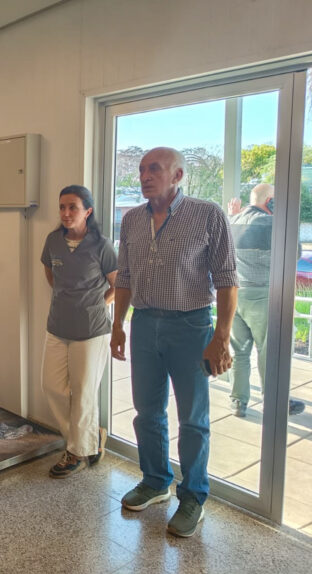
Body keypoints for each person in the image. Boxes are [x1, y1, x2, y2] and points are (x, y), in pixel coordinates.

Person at [110, 147, 238, 538]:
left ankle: (194, 496)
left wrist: (221, 337)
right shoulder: (132, 219)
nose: (145, 176)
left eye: (155, 169)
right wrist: (118, 325)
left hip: (190, 326)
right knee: (147, 411)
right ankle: (155, 481)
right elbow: (125, 277)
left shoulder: (207, 214)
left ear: (178, 175)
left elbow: (227, 279)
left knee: (193, 418)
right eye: (141, 170)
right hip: (144, 324)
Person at [40, 185, 117, 478]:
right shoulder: (53, 241)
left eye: (73, 207)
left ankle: (76, 452)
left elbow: (118, 285)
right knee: (52, 387)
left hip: (91, 330)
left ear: (88, 211)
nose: (66, 212)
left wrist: (96, 304)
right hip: (57, 325)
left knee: (83, 393)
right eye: (62, 207)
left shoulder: (101, 245)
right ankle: (91, 436)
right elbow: (50, 273)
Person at [228, 184, 305, 417]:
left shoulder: (231, 221)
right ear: (270, 200)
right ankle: (273, 400)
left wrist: (234, 215)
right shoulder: (274, 224)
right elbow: (295, 254)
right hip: (262, 295)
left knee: (239, 351)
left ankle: (238, 402)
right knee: (268, 350)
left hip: (235, 294)